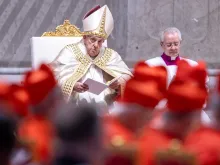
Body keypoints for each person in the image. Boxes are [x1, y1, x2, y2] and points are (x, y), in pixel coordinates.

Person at [51, 5, 132, 106]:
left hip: (107, 101)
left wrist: (119, 83)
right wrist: (71, 86)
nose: (96, 45)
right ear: (84, 37)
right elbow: (52, 77)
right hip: (75, 103)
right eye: (92, 40)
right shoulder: (70, 51)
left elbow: (128, 76)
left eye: (100, 41)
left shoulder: (110, 54)